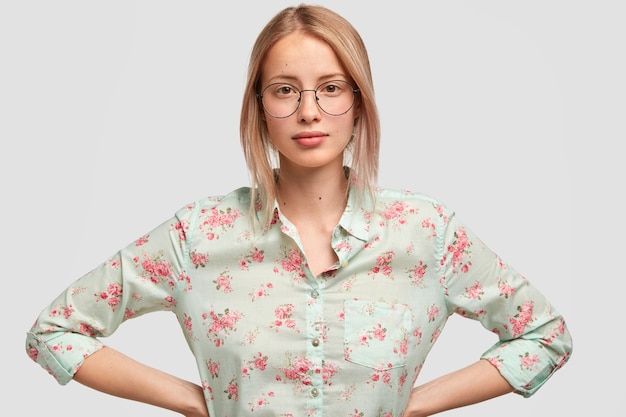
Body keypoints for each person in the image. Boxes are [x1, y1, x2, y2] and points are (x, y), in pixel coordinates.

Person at [25, 4, 572, 417]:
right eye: (285, 90)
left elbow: (546, 336)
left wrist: (409, 405)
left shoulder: (425, 232)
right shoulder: (199, 235)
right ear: (260, 109)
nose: (309, 112)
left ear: (359, 103)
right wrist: (201, 403)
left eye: (331, 88)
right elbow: (55, 332)